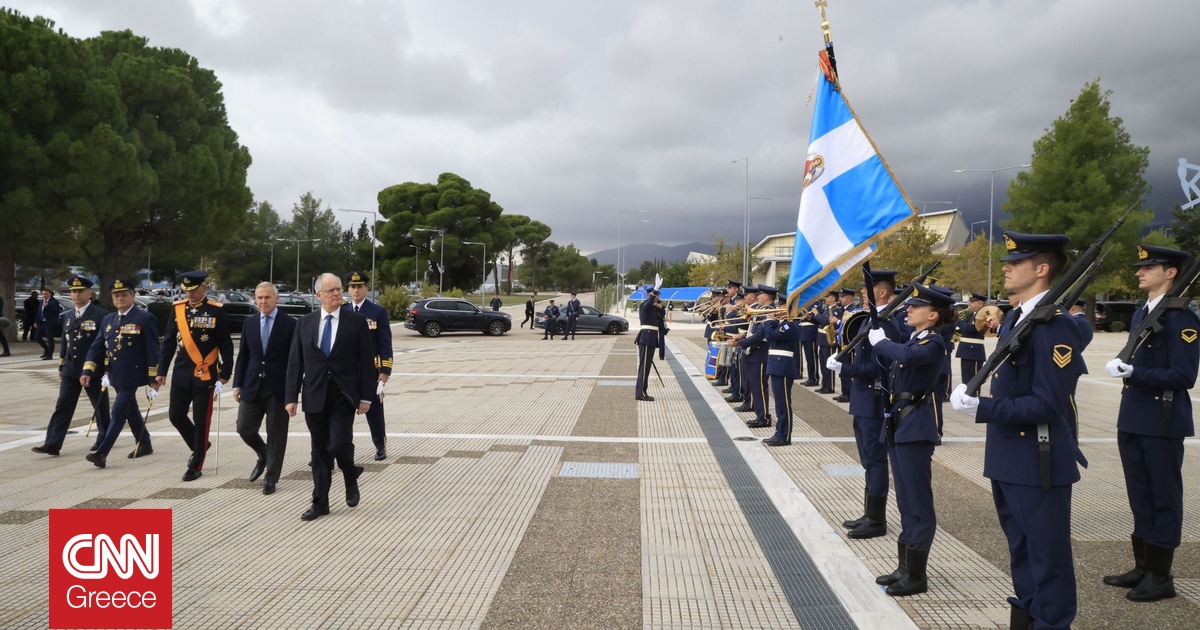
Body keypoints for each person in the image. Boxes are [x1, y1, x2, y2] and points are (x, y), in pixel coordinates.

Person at [950, 231, 1085, 629]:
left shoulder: (1054, 326)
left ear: (1042, 269)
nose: (1006, 268)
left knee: (1048, 558)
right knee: (1022, 552)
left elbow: (1047, 403)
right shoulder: (1015, 317)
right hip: (1009, 456)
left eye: (1017, 262)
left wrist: (984, 407)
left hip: (1037, 458)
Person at [1102, 245, 1199, 602]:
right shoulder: (1143, 312)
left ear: (1171, 272)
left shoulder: (1180, 317)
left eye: (1149, 267)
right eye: (1140, 266)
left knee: (1163, 497)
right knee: (1139, 495)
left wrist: (1136, 371)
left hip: (1163, 418)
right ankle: (1143, 566)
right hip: (1134, 415)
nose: (1140, 272)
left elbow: (1184, 374)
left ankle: (1161, 576)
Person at [869, 282, 954, 597]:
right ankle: (905, 567)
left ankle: (917, 575)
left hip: (916, 426)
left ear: (932, 315)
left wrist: (881, 342)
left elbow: (907, 354)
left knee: (918, 503)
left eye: (915, 307)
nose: (908, 309)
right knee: (904, 499)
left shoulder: (934, 343)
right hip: (899, 424)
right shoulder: (915, 338)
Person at [285, 273, 376, 522]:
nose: (337, 294)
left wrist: (366, 397)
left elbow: (366, 363)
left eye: (338, 289)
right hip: (314, 396)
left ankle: (349, 474)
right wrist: (290, 397)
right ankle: (320, 503)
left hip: (343, 396)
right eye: (331, 291)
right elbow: (295, 362)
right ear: (319, 296)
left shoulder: (356, 322)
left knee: (337, 444)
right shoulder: (304, 323)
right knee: (319, 452)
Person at [826, 271, 902, 539]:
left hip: (874, 398)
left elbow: (880, 368)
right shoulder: (869, 321)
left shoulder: (887, 325)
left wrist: (846, 367)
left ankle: (877, 519)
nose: (862, 293)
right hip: (862, 399)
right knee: (867, 459)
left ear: (882, 292)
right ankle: (870, 512)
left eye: (867, 289)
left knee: (875, 459)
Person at [156, 271, 234, 482]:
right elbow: (169, 342)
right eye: (186, 290)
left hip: (206, 373)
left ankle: (196, 463)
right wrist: (161, 371)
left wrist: (225, 374)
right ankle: (199, 445)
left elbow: (226, 344)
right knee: (175, 415)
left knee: (201, 421)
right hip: (182, 372)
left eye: (194, 289)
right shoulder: (178, 310)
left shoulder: (216, 311)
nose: (190, 294)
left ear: (204, 287)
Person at [79, 279, 158, 468]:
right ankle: (144, 443)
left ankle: (102, 453)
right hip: (115, 374)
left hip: (133, 374)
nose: (120, 298)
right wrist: (87, 370)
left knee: (118, 411)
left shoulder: (145, 319)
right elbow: (97, 347)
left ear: (133, 295)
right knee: (130, 409)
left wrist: (154, 377)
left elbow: (154, 350)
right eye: (116, 295)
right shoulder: (108, 319)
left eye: (124, 294)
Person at [32, 277, 110, 455]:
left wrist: (106, 368)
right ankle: (52, 443)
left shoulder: (101, 315)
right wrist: (61, 365)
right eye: (73, 292)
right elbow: (66, 343)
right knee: (63, 406)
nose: (76, 295)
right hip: (71, 369)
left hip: (93, 370)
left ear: (90, 293)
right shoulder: (67, 316)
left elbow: (105, 345)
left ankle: (103, 440)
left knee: (100, 407)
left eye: (80, 291)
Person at [232, 282, 297, 495]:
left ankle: (271, 477)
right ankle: (263, 453)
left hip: (278, 388)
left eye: (267, 297)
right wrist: (237, 384)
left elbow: (295, 360)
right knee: (244, 428)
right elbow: (243, 356)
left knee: (276, 433)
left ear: (277, 299)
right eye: (259, 297)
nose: (263, 301)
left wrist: (292, 393)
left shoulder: (290, 324)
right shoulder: (249, 323)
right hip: (252, 385)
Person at [345, 271, 392, 461]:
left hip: (370, 371)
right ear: (348, 289)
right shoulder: (342, 311)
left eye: (360, 286)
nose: (356, 290)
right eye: (352, 287)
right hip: (347, 371)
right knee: (342, 412)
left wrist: (385, 371)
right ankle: (337, 449)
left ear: (366, 288)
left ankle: (380, 445)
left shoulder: (377, 312)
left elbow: (385, 342)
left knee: (374, 411)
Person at [731, 286, 774, 427]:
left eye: (760, 295)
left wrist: (741, 343)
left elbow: (761, 334)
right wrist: (741, 336)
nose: (758, 297)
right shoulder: (761, 310)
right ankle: (759, 414)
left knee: (760, 387)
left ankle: (764, 417)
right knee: (755, 386)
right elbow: (753, 330)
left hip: (760, 353)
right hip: (753, 353)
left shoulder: (769, 311)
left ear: (766, 297)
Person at [762, 288, 800, 446]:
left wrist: (769, 321)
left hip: (783, 367)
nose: (778, 309)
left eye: (782, 306)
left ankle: (784, 436)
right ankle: (779, 432)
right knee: (779, 403)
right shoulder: (782, 324)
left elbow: (770, 336)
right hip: (776, 366)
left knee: (783, 404)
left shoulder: (789, 326)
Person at [635, 287, 664, 402]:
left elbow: (661, 317)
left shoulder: (653, 308)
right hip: (646, 338)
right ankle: (641, 393)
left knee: (646, 368)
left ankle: (643, 391)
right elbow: (649, 303)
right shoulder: (645, 306)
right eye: (656, 295)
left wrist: (660, 307)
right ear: (650, 295)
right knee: (644, 367)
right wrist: (655, 290)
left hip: (650, 339)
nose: (658, 297)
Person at [954, 293, 988, 385]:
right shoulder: (972, 315)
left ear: (980, 304)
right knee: (966, 379)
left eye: (972, 302)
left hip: (974, 351)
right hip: (967, 350)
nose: (969, 304)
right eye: (969, 301)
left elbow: (969, 329)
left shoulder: (982, 315)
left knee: (973, 380)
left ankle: (973, 398)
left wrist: (957, 320)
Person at [811, 290, 841, 394]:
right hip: (822, 339)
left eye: (827, 297)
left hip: (828, 340)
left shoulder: (836, 310)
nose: (825, 298)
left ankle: (830, 386)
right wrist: (811, 317)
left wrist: (816, 314)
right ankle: (825, 385)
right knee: (823, 364)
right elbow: (820, 321)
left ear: (833, 298)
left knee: (828, 364)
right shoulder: (827, 309)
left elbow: (825, 321)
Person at [833, 288, 858, 402]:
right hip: (842, 344)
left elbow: (852, 327)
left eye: (843, 297)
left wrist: (838, 321)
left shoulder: (854, 309)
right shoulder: (844, 309)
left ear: (849, 298)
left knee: (847, 369)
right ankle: (844, 392)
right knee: (843, 369)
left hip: (848, 346)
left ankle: (848, 393)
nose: (840, 299)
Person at [36, 288, 64, 360]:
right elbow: (39, 312)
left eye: (46, 294)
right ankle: (46, 349)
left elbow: (56, 310)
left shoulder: (54, 302)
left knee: (50, 339)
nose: (44, 295)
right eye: (43, 294)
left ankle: (49, 355)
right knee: (37, 337)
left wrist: (47, 306)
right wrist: (36, 321)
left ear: (50, 294)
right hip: (42, 322)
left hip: (49, 323)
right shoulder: (41, 301)